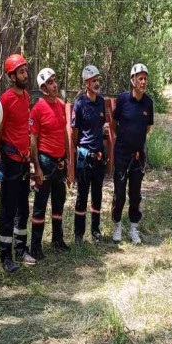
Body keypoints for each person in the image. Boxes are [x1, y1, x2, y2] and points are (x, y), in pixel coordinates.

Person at [0, 54, 34, 272]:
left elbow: (24, 129)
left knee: (23, 209)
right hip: (10, 160)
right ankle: (5, 256)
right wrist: (2, 150)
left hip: (23, 161)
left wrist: (27, 152)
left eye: (25, 70)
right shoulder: (5, 99)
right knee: (8, 210)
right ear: (11, 76)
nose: (25, 74)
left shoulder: (27, 96)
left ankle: (21, 249)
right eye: (20, 71)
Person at [29, 68, 71, 260]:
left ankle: (57, 238)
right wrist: (36, 167)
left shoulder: (61, 105)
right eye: (50, 83)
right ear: (43, 88)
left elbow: (64, 133)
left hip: (59, 162)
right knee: (40, 205)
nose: (55, 85)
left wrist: (68, 158)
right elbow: (33, 140)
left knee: (58, 202)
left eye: (55, 81)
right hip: (45, 162)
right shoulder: (37, 108)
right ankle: (36, 246)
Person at [111, 63, 154, 245]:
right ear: (133, 80)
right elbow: (114, 123)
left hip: (138, 155)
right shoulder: (122, 99)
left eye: (145, 78)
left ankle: (134, 228)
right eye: (140, 78)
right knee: (119, 193)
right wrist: (121, 140)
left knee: (135, 194)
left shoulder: (148, 103)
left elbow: (148, 127)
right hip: (121, 153)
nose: (143, 82)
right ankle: (117, 226)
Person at [71, 65, 106, 246]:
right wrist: (81, 149)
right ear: (86, 83)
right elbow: (75, 133)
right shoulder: (79, 104)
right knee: (82, 196)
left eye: (97, 80)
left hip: (99, 156)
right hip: (84, 157)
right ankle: (78, 233)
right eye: (93, 81)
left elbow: (102, 126)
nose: (96, 83)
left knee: (97, 195)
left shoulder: (101, 102)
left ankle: (95, 230)